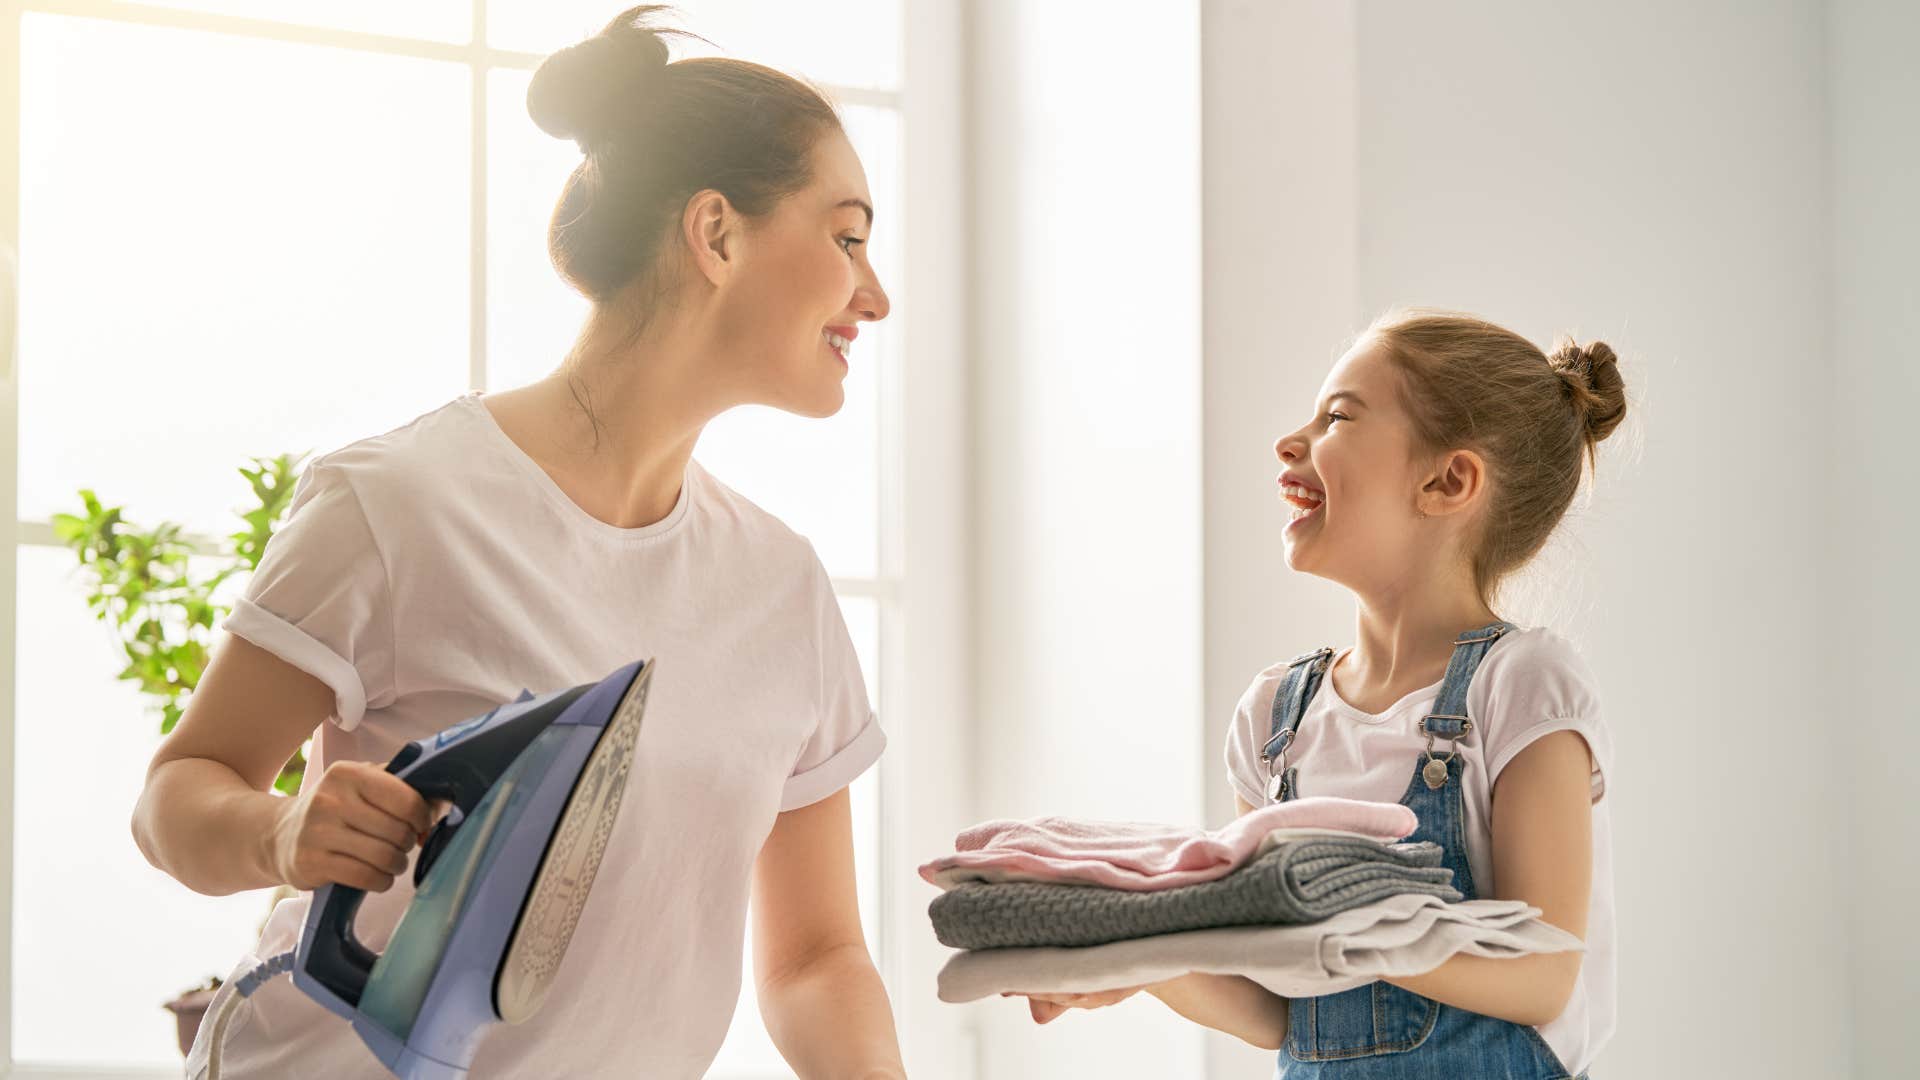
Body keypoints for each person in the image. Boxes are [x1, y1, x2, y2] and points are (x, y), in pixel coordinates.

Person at [132, 7, 904, 1076]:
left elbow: (817, 957)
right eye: (848, 236)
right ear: (716, 234)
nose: (876, 294)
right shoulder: (397, 504)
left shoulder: (782, 589)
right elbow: (179, 791)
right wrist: (278, 833)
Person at [1014, 310, 1623, 1079]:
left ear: (1447, 481)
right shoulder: (1276, 719)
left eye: (1337, 416)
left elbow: (1543, 977)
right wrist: (1141, 959)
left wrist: (1333, 925)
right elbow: (1275, 1007)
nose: (1291, 440)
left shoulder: (1522, 685)